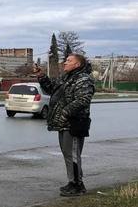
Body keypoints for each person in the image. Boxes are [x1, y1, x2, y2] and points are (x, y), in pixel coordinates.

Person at [34, 54, 95, 197]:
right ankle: (72, 182)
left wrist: (65, 112)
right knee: (68, 154)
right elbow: (51, 89)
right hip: (63, 123)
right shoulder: (66, 77)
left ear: (77, 64)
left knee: (72, 154)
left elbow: (83, 99)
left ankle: (78, 185)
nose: (65, 63)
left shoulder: (83, 79)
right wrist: (41, 75)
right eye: (66, 60)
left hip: (74, 123)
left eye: (69, 61)